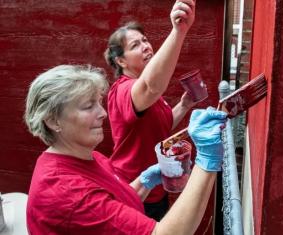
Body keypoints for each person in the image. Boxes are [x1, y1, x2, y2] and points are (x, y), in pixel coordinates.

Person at [24, 64, 227, 235]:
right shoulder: (66, 193)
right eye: (88, 106)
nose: (103, 113)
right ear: (52, 120)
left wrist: (144, 182)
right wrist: (207, 160)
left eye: (99, 103)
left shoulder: (88, 155)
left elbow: (112, 206)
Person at [103, 0, 200, 220]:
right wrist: (179, 31)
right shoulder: (123, 90)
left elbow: (161, 127)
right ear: (121, 61)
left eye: (145, 40)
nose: (146, 46)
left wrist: (184, 105)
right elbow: (151, 85)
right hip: (134, 189)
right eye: (135, 45)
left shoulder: (147, 96)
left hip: (157, 187)